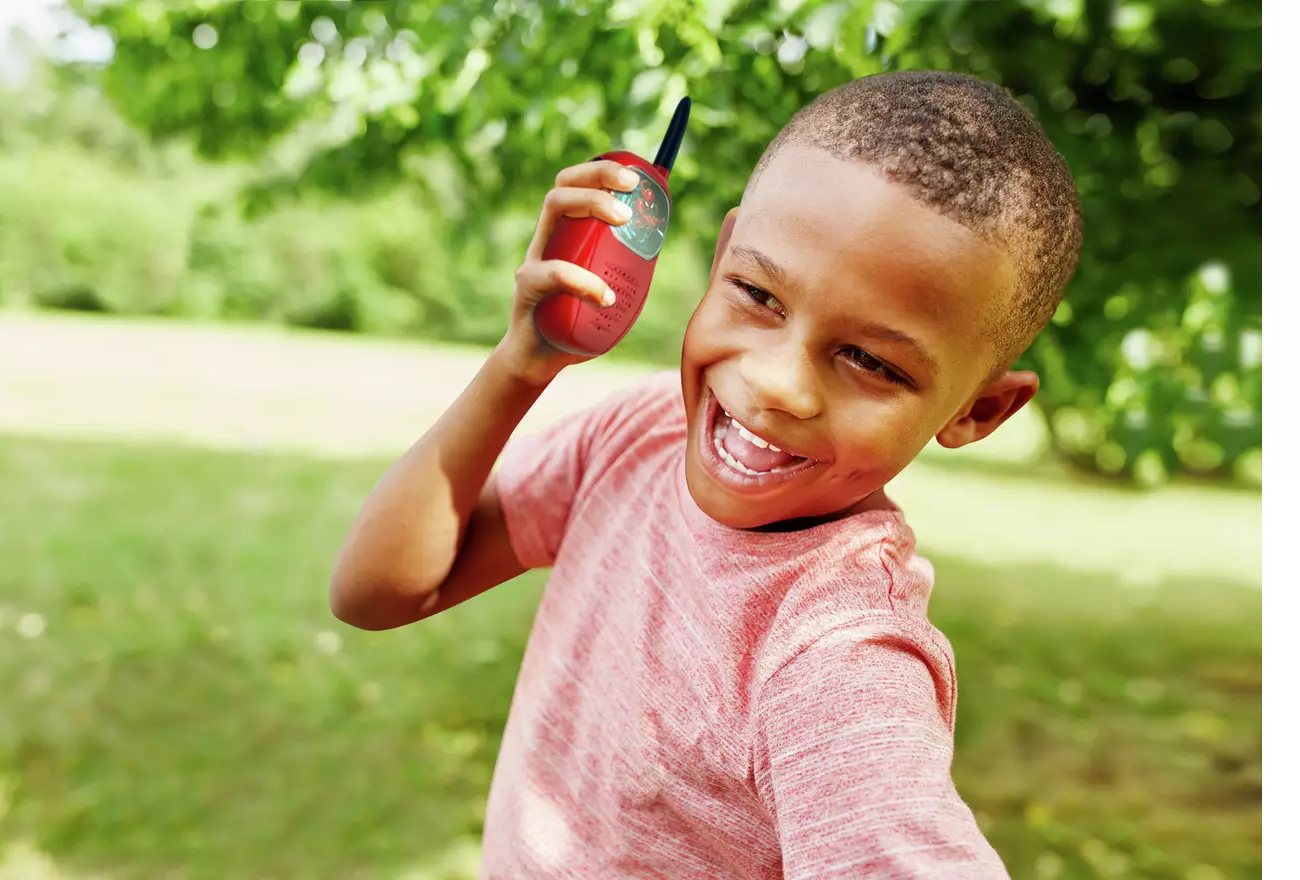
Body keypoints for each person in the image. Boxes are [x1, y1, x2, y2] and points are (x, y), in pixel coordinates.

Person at [330, 69, 1082, 878]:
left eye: (868, 360)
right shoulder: (644, 431)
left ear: (979, 410)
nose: (777, 384)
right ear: (722, 256)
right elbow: (381, 591)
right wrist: (522, 364)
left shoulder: (836, 657)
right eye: (758, 295)